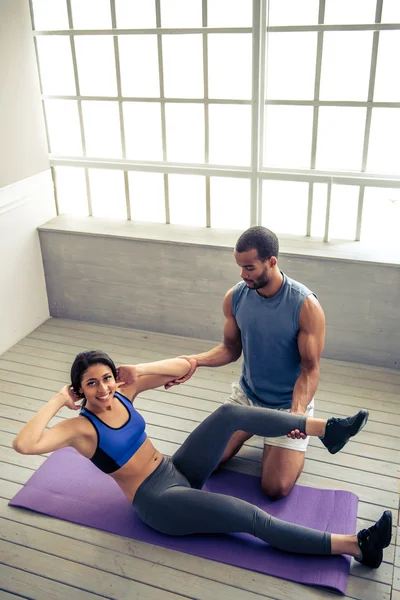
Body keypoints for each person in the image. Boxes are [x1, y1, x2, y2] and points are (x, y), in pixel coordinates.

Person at [13, 350, 391, 569]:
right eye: (92, 383)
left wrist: (139, 371)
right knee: (249, 516)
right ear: (79, 389)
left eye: (107, 378)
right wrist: (57, 401)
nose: (104, 388)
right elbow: (24, 445)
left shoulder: (123, 394)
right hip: (158, 502)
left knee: (229, 415)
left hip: (173, 469)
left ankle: (327, 429)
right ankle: (357, 545)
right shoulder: (80, 427)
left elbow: (185, 367)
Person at [166, 226, 326, 499]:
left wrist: (297, 414)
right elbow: (230, 348)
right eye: (240, 267)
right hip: (247, 397)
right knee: (197, 464)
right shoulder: (236, 296)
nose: (243, 274)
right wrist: (195, 361)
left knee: (275, 488)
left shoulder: (305, 306)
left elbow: (309, 369)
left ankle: (290, 438)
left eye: (249, 267)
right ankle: (248, 427)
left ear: (271, 262)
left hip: (286, 404)